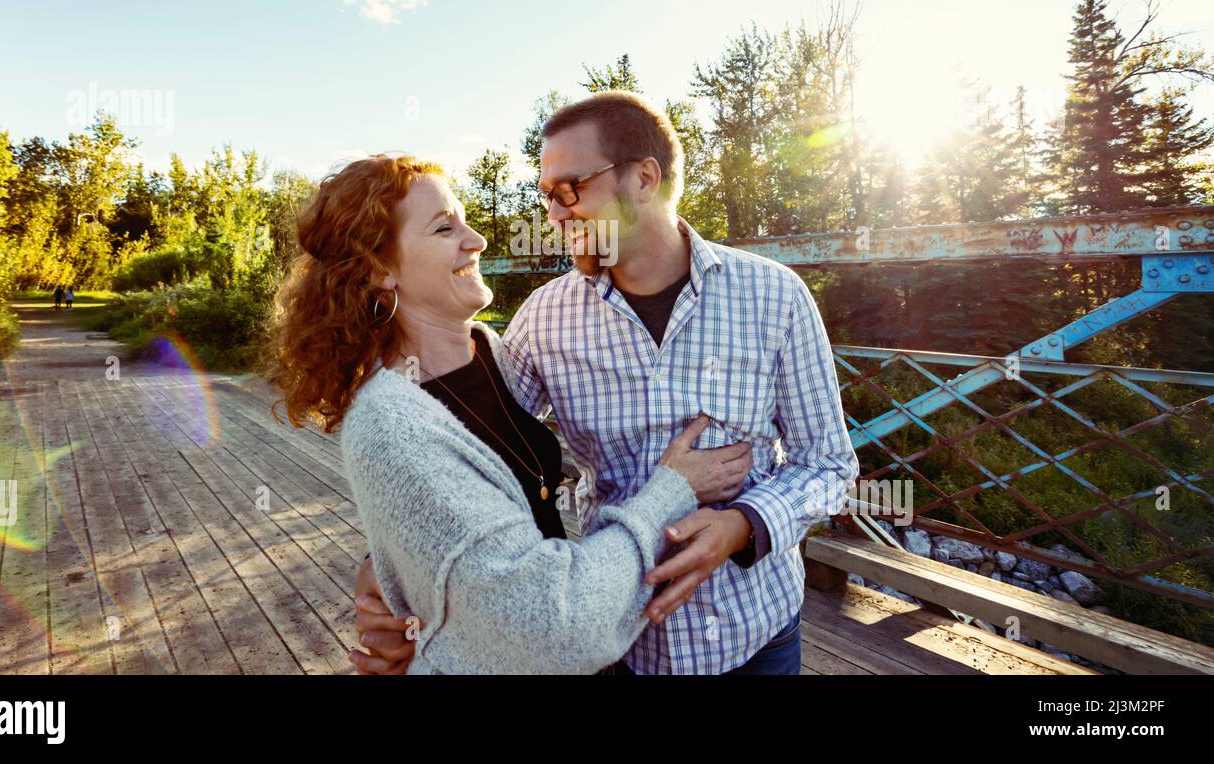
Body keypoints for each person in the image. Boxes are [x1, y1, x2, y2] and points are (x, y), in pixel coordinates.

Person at [357, 91, 861, 675]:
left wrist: (742, 526)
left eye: (570, 190)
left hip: (755, 636)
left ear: (643, 177)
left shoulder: (774, 296)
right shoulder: (547, 318)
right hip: (623, 646)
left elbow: (827, 463)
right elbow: (471, 447)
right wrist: (390, 564)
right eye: (546, 196)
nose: (554, 214)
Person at [263, 154, 754, 674]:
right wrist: (672, 489)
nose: (476, 240)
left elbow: (448, 526)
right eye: (444, 228)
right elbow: (558, 627)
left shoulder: (491, 352)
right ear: (379, 269)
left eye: (466, 220)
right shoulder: (389, 424)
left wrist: (393, 571)